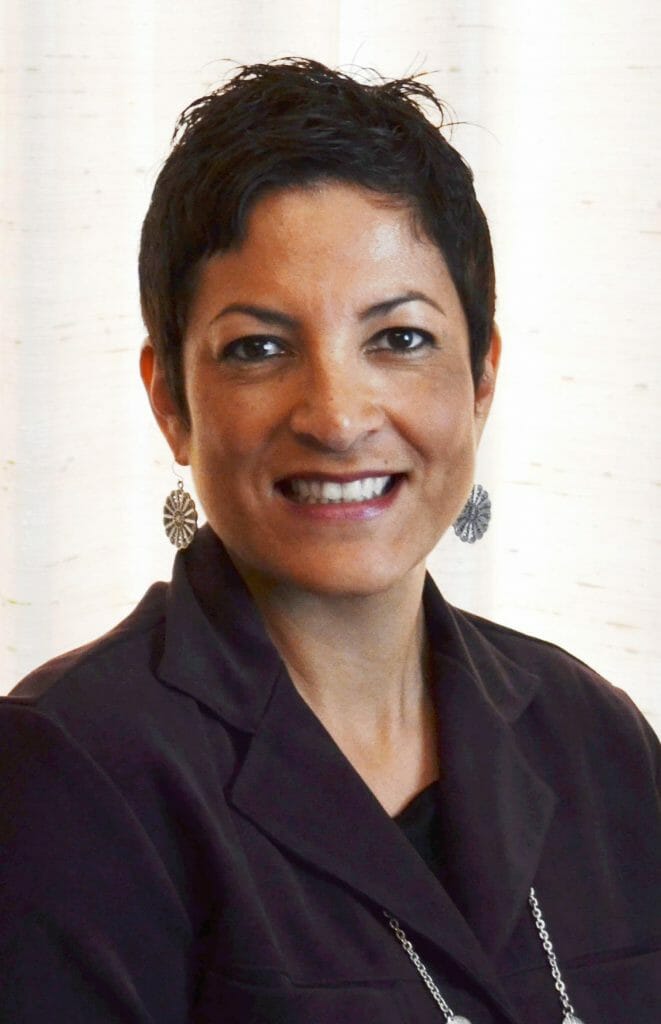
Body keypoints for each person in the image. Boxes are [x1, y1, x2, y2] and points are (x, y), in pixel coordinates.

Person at [0, 58, 659, 1024]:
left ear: (481, 378)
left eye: (398, 339)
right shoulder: (67, 770)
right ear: (170, 401)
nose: (338, 417)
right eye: (258, 348)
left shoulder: (596, 738)